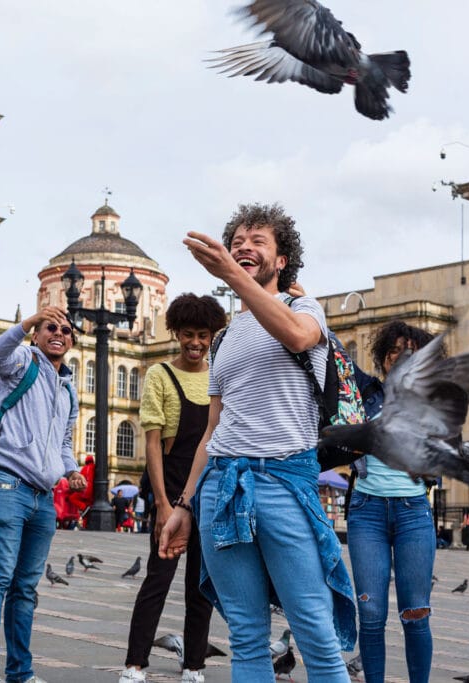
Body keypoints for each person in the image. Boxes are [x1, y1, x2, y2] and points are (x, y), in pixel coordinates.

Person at [160, 203, 356, 682]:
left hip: (283, 482)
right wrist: (184, 504)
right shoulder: (224, 339)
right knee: (247, 635)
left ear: (282, 260)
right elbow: (212, 430)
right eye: (238, 242)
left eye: (258, 242)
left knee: (313, 630)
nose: (245, 247)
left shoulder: (302, 308)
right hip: (223, 487)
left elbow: (297, 337)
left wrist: (231, 273)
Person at [343, 312, 469, 683]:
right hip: (366, 513)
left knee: (416, 612)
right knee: (371, 616)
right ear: (384, 359)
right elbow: (330, 352)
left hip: (413, 515)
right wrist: (301, 301)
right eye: (394, 353)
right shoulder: (367, 391)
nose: (402, 360)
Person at [0, 305, 85, 683]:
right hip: (7, 484)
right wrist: (28, 322)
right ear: (37, 334)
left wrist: (71, 471)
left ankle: (20, 672)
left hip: (43, 497)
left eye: (66, 331)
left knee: (25, 588)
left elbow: (64, 443)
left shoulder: (68, 390)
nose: (59, 333)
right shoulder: (22, 363)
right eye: (50, 327)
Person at [119, 292, 227, 683]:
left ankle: (194, 665)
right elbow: (152, 444)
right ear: (176, 333)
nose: (195, 343)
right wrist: (163, 503)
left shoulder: (221, 375)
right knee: (157, 580)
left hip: (210, 490)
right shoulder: (160, 375)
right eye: (187, 335)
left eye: (203, 335)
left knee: (201, 584)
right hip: (172, 482)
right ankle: (134, 664)